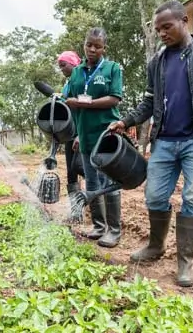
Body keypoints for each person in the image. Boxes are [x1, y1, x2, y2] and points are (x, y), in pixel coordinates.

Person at [108, 0, 193, 286]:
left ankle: (186, 261)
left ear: (184, 21)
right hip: (165, 142)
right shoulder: (157, 62)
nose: (162, 33)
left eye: (167, 27)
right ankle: (156, 246)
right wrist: (127, 121)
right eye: (158, 29)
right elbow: (148, 102)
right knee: (155, 197)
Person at [65, 27, 124, 248]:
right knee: (91, 181)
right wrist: (78, 134)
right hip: (86, 135)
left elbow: (114, 98)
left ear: (104, 48)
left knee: (109, 182)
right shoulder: (77, 72)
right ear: (84, 45)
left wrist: (83, 103)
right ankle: (99, 226)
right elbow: (69, 97)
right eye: (89, 44)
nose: (92, 49)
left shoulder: (112, 68)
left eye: (97, 46)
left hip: (106, 134)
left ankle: (114, 231)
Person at [57, 50, 84, 222]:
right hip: (69, 135)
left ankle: (99, 215)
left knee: (86, 170)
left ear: (73, 63)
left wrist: (81, 134)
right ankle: (76, 211)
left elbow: (85, 105)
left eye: (63, 65)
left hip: (82, 134)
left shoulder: (82, 80)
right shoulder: (67, 85)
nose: (61, 69)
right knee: (71, 172)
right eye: (59, 66)